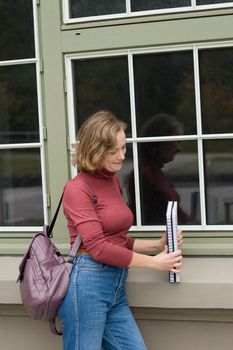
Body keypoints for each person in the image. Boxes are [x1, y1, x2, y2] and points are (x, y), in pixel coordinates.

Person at [58, 110, 183, 350]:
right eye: (113, 150)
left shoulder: (113, 181)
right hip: (88, 286)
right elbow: (98, 247)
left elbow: (116, 240)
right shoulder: (77, 189)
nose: (121, 155)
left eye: (123, 148)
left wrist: (157, 245)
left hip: (115, 287)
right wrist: (156, 263)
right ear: (95, 149)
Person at [128, 113, 192, 225]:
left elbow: (174, 212)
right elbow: (149, 218)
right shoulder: (144, 174)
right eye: (176, 142)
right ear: (161, 142)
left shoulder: (154, 172)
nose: (179, 148)